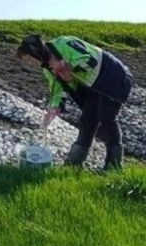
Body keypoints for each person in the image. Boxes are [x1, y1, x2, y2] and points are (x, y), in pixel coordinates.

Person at [17, 34, 132, 170]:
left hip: (113, 75)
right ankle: (73, 165)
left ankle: (114, 166)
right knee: (87, 121)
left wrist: (69, 67)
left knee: (106, 118)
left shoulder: (64, 43)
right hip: (93, 85)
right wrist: (54, 107)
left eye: (31, 56)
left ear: (37, 51)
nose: (33, 61)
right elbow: (57, 89)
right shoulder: (47, 67)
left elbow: (90, 60)